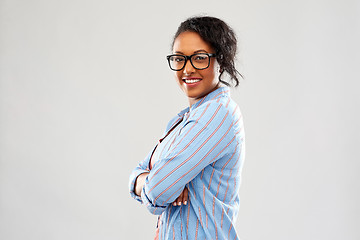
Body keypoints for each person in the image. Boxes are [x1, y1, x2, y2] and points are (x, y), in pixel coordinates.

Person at [129, 16, 245, 240]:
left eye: (199, 58)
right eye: (179, 59)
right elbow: (138, 175)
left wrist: (157, 181)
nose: (187, 69)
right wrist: (150, 179)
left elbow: (158, 190)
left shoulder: (217, 114)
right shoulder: (180, 122)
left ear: (220, 60)